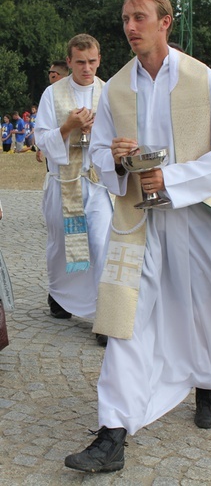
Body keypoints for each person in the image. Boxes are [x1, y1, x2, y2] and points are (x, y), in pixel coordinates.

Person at [65, 0, 211, 474]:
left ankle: (207, 381)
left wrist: (173, 178)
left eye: (140, 17)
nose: (131, 27)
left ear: (166, 21)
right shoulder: (115, 88)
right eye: (125, 19)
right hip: (139, 222)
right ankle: (112, 431)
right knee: (126, 321)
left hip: (197, 218)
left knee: (203, 303)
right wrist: (114, 160)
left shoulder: (204, 81)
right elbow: (97, 157)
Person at [35, 34, 113, 346]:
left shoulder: (108, 93)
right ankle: (60, 296)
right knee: (62, 246)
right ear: (69, 61)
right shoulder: (52, 94)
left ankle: (105, 318)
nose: (87, 68)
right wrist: (68, 127)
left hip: (96, 185)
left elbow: (121, 135)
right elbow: (41, 139)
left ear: (99, 59)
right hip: (64, 184)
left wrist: (99, 132)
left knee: (99, 244)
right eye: (80, 62)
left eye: (92, 62)